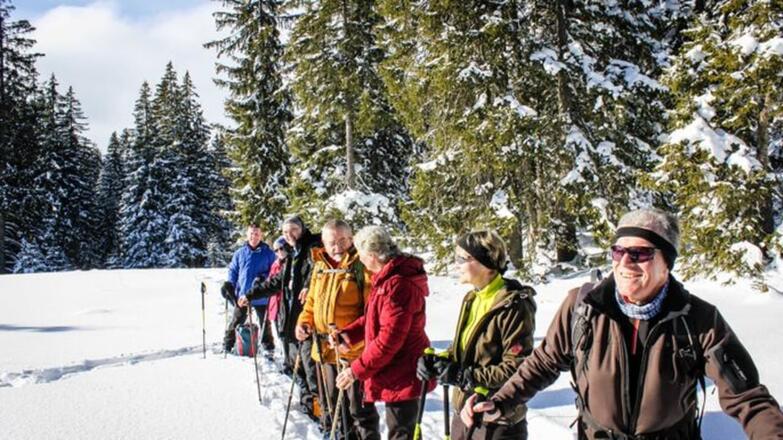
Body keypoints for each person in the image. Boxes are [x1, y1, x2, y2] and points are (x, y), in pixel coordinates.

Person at [461, 208, 783, 439]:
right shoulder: (582, 307)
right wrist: (500, 401)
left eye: (640, 254)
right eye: (618, 252)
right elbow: (544, 363)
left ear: (666, 264)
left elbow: (747, 397)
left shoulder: (698, 319)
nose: (625, 262)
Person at [416, 230, 537, 440]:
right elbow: (466, 350)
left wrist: (465, 376)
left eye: (462, 259)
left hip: (496, 420)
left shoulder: (514, 306)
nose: (456, 264)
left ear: (485, 262)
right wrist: (439, 361)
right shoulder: (472, 298)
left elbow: (517, 367)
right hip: (464, 413)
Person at [334, 225, 435, 440]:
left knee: (402, 433)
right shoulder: (385, 278)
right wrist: (348, 335)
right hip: (394, 369)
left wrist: (355, 371)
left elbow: (389, 339)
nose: (359, 259)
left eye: (360, 254)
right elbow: (374, 319)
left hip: (405, 370)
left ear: (372, 255)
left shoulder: (398, 285)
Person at [295, 219, 380, 439]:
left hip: (353, 353)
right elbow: (311, 303)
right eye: (331, 242)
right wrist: (304, 323)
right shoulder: (320, 265)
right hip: (324, 350)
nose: (337, 246)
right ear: (323, 242)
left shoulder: (361, 266)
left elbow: (372, 313)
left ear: (352, 239)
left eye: (343, 240)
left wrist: (353, 340)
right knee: (331, 406)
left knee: (359, 410)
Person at [241, 215, 322, 419]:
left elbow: (319, 272)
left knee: (312, 370)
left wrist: (308, 287)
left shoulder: (314, 248)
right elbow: (276, 282)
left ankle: (322, 414)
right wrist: (250, 294)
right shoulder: (292, 255)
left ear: (302, 229)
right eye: (285, 231)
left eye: (293, 229)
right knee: (298, 368)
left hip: (308, 322)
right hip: (290, 320)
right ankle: (309, 407)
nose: (289, 234)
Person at [221, 223, 276, 353]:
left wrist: (263, 278)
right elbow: (233, 270)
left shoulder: (268, 253)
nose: (254, 236)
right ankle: (227, 344)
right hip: (243, 295)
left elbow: (274, 272)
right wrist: (230, 284)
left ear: (261, 235)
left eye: (256, 234)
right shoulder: (240, 253)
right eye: (251, 233)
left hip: (261, 294)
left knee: (265, 322)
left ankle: (268, 347)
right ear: (247, 235)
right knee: (236, 320)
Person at [267, 236, 290, 340]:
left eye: (281, 248)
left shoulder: (291, 263)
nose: (279, 252)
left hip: (287, 304)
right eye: (276, 250)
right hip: (276, 305)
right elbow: (270, 281)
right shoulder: (275, 265)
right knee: (280, 336)